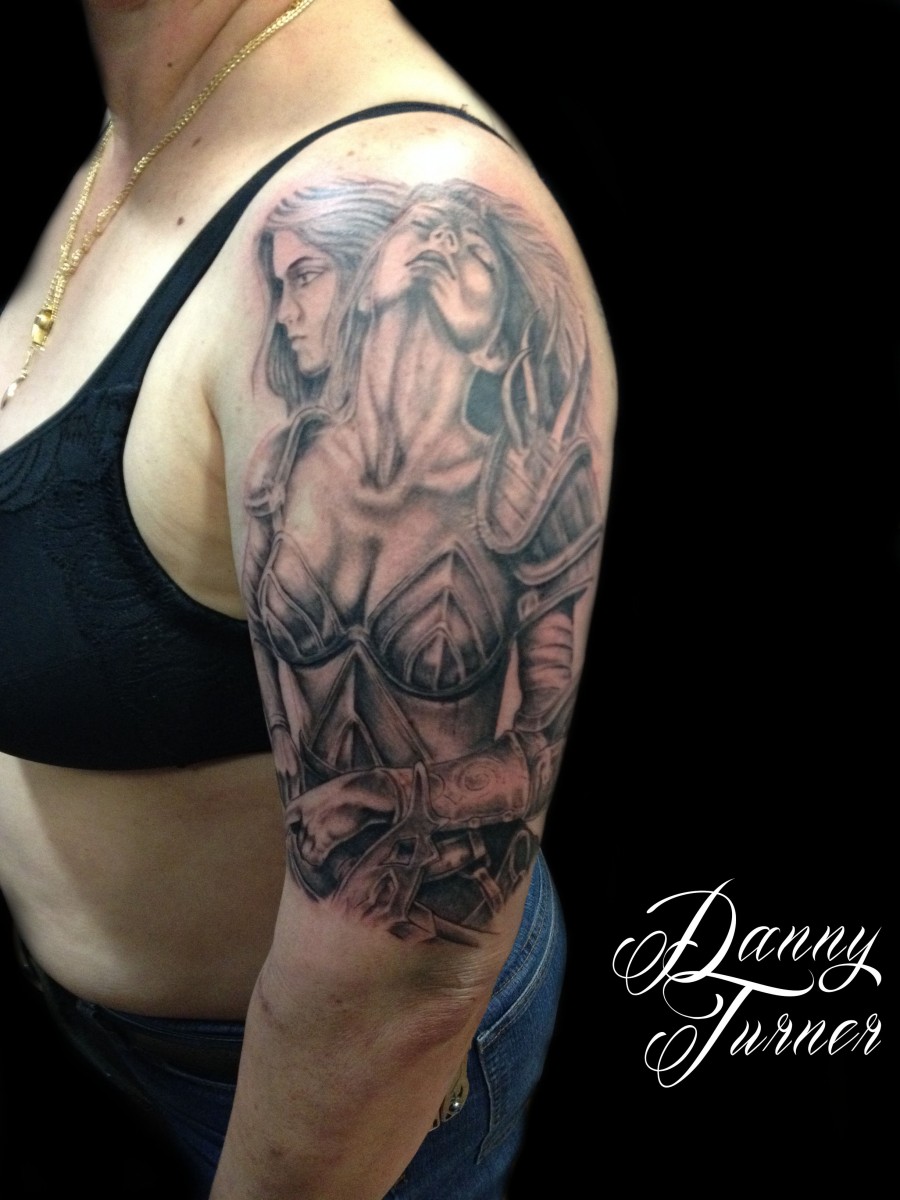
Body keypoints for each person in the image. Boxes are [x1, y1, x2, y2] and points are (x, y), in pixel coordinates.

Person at [0, 1, 616, 1196]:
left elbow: (405, 968)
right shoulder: (147, 135)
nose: (294, 311)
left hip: (312, 1105)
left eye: (311, 290)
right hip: (98, 1046)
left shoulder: (397, 196)